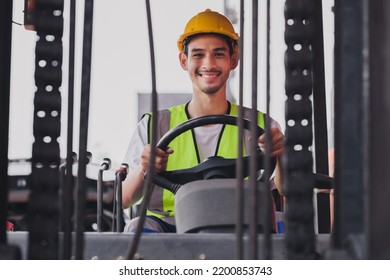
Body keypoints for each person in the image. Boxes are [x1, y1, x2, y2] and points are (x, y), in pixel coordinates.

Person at [121, 8, 284, 233]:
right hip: (170, 225)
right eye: (198, 54)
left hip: (242, 224)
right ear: (183, 60)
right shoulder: (152, 125)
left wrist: (281, 154)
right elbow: (125, 198)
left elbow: (288, 189)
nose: (209, 64)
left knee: (285, 225)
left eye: (218, 54)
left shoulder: (263, 126)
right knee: (136, 228)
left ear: (233, 60)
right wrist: (144, 170)